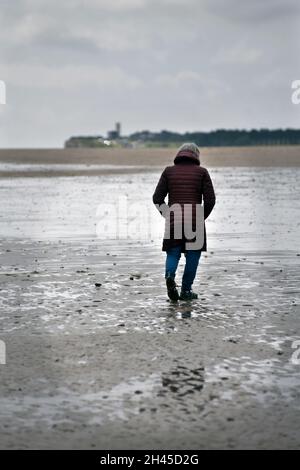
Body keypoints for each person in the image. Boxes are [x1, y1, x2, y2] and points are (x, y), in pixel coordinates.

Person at [152, 143, 216, 301]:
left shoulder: (168, 171)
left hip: (175, 217)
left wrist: (169, 215)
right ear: (196, 156)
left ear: (179, 155)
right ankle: (186, 291)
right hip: (195, 219)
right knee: (193, 254)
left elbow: (157, 198)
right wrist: (201, 217)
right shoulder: (202, 172)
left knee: (173, 252)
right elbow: (211, 200)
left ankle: (169, 276)